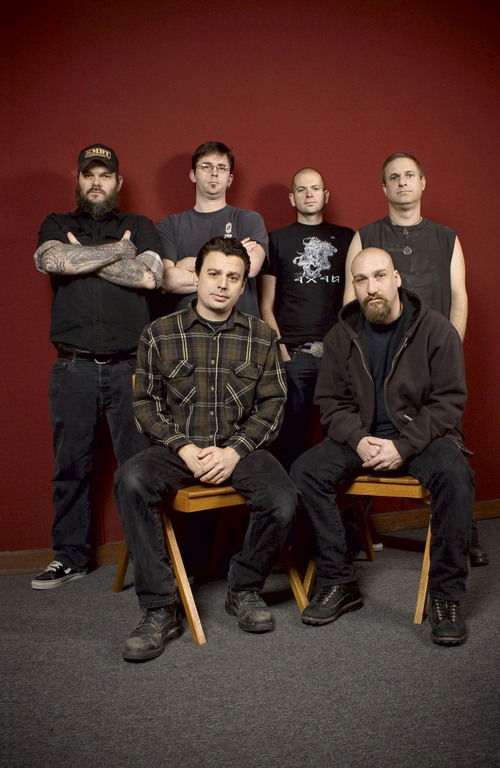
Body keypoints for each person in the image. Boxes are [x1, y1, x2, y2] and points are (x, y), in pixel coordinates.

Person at [115, 237, 297, 662]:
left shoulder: (261, 336)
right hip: (177, 449)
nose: (222, 284)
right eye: (213, 274)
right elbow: (145, 405)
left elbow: (273, 405)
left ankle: (244, 587)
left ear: (243, 285)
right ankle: (160, 607)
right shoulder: (159, 333)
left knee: (283, 500)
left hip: (240, 447)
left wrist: (234, 451)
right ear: (196, 277)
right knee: (131, 479)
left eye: (233, 277)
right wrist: (182, 447)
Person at [290, 248, 474, 646]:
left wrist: (403, 446)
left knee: (456, 475)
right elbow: (330, 403)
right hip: (362, 439)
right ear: (353, 287)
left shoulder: (437, 330)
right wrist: (358, 440)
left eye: (379, 276)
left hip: (421, 438)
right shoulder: (341, 336)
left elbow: (448, 403)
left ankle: (446, 595)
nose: (371, 287)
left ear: (396, 278)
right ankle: (339, 581)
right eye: (361, 280)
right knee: (305, 471)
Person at [344, 151, 487, 566]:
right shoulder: (365, 235)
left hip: (433, 363)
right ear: (383, 187)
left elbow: (458, 296)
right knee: (368, 439)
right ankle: (354, 533)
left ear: (423, 183)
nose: (402, 182)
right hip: (379, 363)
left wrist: (451, 354)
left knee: (448, 445)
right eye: (394, 177)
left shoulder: (447, 238)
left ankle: (465, 536)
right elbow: (351, 303)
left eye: (410, 175)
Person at [31, 143, 164, 589]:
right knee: (71, 466)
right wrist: (119, 253)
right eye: (89, 174)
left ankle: (149, 559)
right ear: (78, 179)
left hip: (131, 368)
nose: (96, 182)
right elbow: (51, 260)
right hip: (74, 368)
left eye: (104, 175)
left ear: (117, 182)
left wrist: (83, 259)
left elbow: (150, 275)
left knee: (139, 468)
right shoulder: (57, 223)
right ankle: (70, 557)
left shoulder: (140, 226)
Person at [259, 168, 354, 470]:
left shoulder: (348, 238)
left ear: (326, 195)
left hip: (336, 355)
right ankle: (289, 499)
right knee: (288, 441)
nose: (309, 194)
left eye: (315, 188)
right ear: (292, 198)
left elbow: (355, 298)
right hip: (294, 355)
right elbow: (265, 304)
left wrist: (348, 350)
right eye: (301, 189)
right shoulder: (277, 240)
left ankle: (332, 501)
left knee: (340, 439)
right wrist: (280, 349)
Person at [157, 141, 267, 318]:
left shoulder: (248, 220)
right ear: (193, 175)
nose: (214, 173)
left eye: (221, 168)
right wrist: (233, 260)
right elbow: (167, 280)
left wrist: (186, 265)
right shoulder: (170, 224)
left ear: (229, 179)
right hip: (187, 328)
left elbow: (251, 267)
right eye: (206, 166)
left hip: (240, 327)